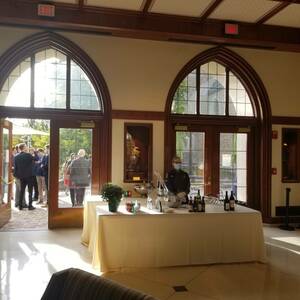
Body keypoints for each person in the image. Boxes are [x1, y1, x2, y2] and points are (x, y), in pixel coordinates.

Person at [13, 143, 35, 210]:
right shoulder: (29, 155)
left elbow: (15, 168)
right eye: (26, 146)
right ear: (24, 148)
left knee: (22, 191)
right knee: (30, 191)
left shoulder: (16, 157)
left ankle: (20, 206)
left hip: (21, 176)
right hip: (29, 176)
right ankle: (30, 206)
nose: (27, 147)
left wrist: (16, 175)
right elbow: (35, 160)